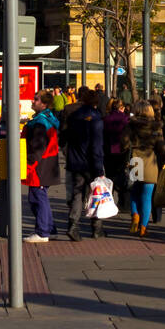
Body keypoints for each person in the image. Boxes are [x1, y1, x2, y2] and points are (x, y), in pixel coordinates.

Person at [63, 87, 105, 242]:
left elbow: (65, 136)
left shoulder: (74, 116)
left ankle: (73, 226)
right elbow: (96, 146)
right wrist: (99, 168)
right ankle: (96, 228)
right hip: (91, 163)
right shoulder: (96, 118)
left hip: (75, 161)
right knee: (96, 194)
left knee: (77, 194)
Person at [123, 102, 165, 237]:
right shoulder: (156, 127)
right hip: (150, 162)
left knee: (133, 193)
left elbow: (123, 143)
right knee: (147, 197)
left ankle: (135, 215)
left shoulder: (130, 126)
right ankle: (143, 227)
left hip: (135, 162)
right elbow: (161, 148)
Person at [23, 93, 60, 242]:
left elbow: (37, 147)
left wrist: (29, 162)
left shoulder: (40, 123)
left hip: (39, 167)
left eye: (36, 99)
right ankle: (49, 228)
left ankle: (43, 232)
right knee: (39, 196)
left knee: (37, 198)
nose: (33, 100)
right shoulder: (46, 119)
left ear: (44, 104)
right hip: (47, 165)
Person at [103, 97, 131, 208]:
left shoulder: (106, 119)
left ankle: (109, 199)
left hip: (108, 151)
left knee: (110, 176)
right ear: (122, 108)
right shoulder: (126, 119)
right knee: (123, 175)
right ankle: (123, 201)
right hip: (122, 151)